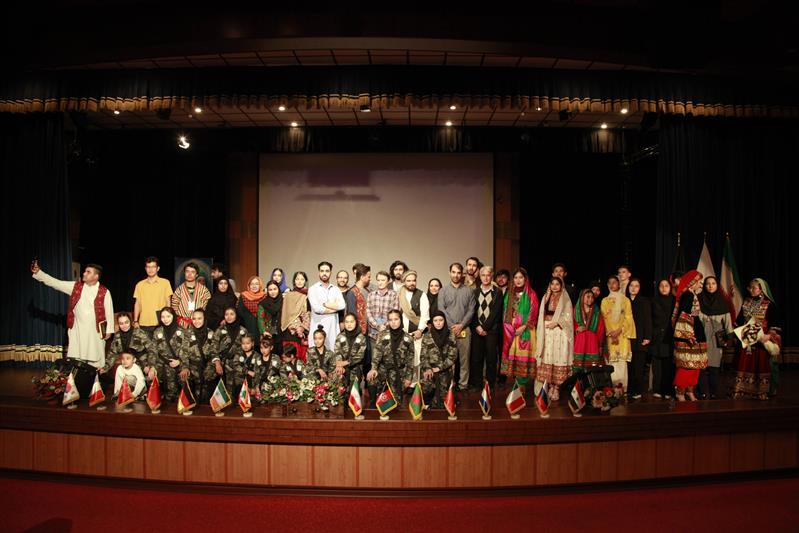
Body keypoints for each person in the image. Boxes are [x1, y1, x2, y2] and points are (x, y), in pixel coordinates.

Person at [31, 260, 114, 397]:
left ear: (96, 276)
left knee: (95, 361)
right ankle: (74, 391)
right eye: (85, 271)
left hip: (95, 332)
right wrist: (39, 273)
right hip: (77, 331)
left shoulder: (104, 292)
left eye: (88, 272)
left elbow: (109, 311)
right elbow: (56, 283)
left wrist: (109, 329)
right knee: (76, 360)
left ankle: (96, 392)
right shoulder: (76, 287)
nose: (84, 273)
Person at [732, 278, 781, 400]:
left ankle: (761, 391)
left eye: (754, 288)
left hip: (761, 340)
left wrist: (769, 335)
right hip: (746, 339)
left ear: (761, 290)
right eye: (750, 287)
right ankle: (742, 390)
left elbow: (775, 323)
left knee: (760, 364)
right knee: (744, 363)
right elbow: (739, 320)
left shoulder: (769, 304)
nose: (751, 290)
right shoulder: (746, 302)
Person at [439, 262, 476, 391]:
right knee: (449, 360)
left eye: (459, 273)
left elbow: (471, 310)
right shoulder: (443, 291)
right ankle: (450, 385)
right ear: (449, 273)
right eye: (453, 272)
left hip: (465, 329)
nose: (456, 275)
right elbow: (441, 310)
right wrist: (452, 327)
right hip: (448, 331)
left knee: (465, 360)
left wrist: (461, 325)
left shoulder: (469, 291)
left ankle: (463, 385)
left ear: (462, 274)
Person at [535, 277, 573, 401]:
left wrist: (557, 323)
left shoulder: (565, 299)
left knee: (558, 356)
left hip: (559, 332)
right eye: (553, 284)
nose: (555, 286)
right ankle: (549, 385)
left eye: (557, 284)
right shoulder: (546, 297)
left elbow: (568, 317)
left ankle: (556, 387)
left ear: (561, 286)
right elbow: (541, 314)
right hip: (546, 331)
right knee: (547, 356)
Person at [500, 268, 539, 389]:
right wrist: (509, 327)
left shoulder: (531, 294)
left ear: (525, 279)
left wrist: (524, 326)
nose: (518, 280)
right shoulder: (509, 294)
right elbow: (504, 311)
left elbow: (534, 312)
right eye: (516, 277)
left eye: (521, 277)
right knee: (514, 359)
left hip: (525, 330)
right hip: (510, 331)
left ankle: (521, 385)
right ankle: (517, 385)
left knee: (523, 359)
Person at [671, 270, 707, 401]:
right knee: (686, 365)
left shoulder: (692, 294)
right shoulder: (687, 295)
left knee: (695, 365)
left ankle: (690, 391)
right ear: (692, 282)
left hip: (696, 330)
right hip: (689, 333)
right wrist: (688, 335)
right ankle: (680, 391)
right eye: (698, 282)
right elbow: (684, 315)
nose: (700, 284)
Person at [367, 309, 414, 404]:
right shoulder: (382, 335)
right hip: (383, 371)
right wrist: (373, 369)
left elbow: (410, 360)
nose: (393, 322)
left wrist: (408, 378)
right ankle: (373, 406)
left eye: (396, 319)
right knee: (372, 379)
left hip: (399, 374)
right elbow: (377, 354)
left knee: (395, 404)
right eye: (391, 320)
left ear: (400, 320)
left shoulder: (408, 338)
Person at [698, 276, 733, 399]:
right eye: (708, 283)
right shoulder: (699, 300)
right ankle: (701, 392)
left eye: (713, 283)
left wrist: (729, 338)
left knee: (714, 367)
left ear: (717, 286)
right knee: (701, 367)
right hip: (701, 337)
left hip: (716, 339)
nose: (710, 286)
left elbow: (728, 323)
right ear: (704, 286)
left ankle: (713, 392)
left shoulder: (723, 302)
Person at [469, 265, 503, 391]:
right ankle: (477, 384)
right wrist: (477, 326)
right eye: (483, 275)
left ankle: (490, 385)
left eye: (488, 275)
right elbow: (472, 311)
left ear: (492, 276)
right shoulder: (475, 292)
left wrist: (484, 328)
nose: (486, 278)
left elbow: (495, 313)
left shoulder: (497, 292)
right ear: (480, 276)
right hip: (477, 330)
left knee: (491, 359)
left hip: (491, 330)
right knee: (476, 359)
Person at [600, 275, 636, 391]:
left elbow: (628, 318)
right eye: (609, 283)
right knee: (612, 363)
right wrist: (612, 334)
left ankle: (622, 390)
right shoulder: (604, 301)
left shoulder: (626, 300)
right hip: (610, 337)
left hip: (622, 336)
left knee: (622, 363)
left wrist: (619, 331)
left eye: (614, 282)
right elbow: (604, 319)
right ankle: (611, 391)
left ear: (619, 284)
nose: (612, 285)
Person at [146, 307, 188, 402]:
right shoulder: (157, 331)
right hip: (161, 364)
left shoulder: (182, 331)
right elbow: (153, 351)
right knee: (150, 379)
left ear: (173, 316)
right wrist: (152, 367)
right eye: (163, 317)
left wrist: (180, 361)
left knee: (180, 387)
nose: (165, 319)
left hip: (177, 364)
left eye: (168, 316)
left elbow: (186, 350)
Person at [101, 312, 152, 388]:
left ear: (130, 322)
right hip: (128, 365)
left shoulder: (139, 333)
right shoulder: (117, 336)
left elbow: (152, 349)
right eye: (121, 323)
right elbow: (112, 353)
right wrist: (105, 368)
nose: (124, 325)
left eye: (126, 322)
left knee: (145, 384)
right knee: (123, 378)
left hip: (143, 365)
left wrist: (150, 366)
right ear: (118, 324)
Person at [420, 311, 458, 408]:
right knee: (426, 393)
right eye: (435, 320)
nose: (438, 323)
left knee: (444, 402)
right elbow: (423, 356)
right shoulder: (427, 335)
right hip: (430, 371)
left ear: (444, 321)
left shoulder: (450, 334)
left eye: (441, 320)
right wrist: (428, 368)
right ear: (432, 322)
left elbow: (452, 356)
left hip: (445, 370)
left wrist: (440, 368)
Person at [208, 307, 248, 396]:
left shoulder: (243, 331)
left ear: (236, 315)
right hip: (222, 364)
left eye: (231, 314)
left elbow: (247, 350)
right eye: (226, 314)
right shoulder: (219, 330)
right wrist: (217, 363)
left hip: (237, 365)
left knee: (237, 392)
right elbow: (213, 348)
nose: (229, 317)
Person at [398, 270, 430, 382]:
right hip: (402, 334)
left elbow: (425, 315)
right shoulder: (398, 294)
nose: (412, 283)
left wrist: (420, 330)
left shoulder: (422, 295)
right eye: (409, 280)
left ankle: (415, 384)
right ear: (404, 281)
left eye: (414, 280)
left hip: (416, 334)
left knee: (416, 360)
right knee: (402, 359)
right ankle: (403, 384)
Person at [308, 262, 346, 350]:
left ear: (331, 272)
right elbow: (317, 309)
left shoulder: (336, 289)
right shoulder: (313, 289)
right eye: (322, 271)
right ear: (319, 272)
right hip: (318, 327)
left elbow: (342, 305)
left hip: (332, 329)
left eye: (327, 271)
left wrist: (325, 304)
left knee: (332, 354)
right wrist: (334, 308)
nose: (324, 273)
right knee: (316, 355)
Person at [132, 256, 173, 337]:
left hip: (160, 323)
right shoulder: (139, 284)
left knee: (161, 345)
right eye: (148, 267)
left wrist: (168, 319)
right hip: (143, 323)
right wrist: (135, 321)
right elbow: (137, 304)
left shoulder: (165, 283)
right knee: (144, 345)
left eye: (153, 267)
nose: (150, 269)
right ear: (145, 268)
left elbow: (168, 302)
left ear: (158, 268)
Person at [626, 278, 652, 400]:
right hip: (627, 339)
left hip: (640, 338)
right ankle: (629, 390)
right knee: (629, 367)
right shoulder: (625, 300)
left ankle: (637, 390)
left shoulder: (644, 301)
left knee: (638, 367)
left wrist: (647, 336)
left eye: (636, 286)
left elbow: (648, 320)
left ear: (640, 288)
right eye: (631, 285)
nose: (633, 288)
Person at [650, 279, 676, 399]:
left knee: (669, 365)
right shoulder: (653, 301)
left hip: (670, 336)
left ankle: (668, 390)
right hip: (657, 337)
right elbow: (650, 319)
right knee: (657, 366)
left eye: (666, 286)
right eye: (661, 286)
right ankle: (657, 389)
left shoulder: (674, 301)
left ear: (670, 288)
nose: (664, 288)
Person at [185, 309, 216, 402]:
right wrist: (185, 367)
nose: (196, 321)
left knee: (207, 400)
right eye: (194, 319)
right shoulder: (187, 333)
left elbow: (215, 352)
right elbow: (183, 353)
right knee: (193, 400)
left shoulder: (211, 333)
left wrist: (213, 366)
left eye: (199, 318)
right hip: (193, 372)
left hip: (208, 372)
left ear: (204, 319)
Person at [573, 289, 605, 372]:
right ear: (582, 297)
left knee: (591, 367)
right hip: (580, 341)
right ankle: (578, 381)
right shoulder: (575, 311)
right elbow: (571, 325)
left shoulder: (596, 312)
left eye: (592, 297)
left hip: (592, 341)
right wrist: (577, 329)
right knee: (578, 365)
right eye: (588, 297)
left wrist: (600, 345)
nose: (590, 299)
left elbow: (601, 329)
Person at [281, 272, 310, 361]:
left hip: (302, 331)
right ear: (294, 281)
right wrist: (293, 326)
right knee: (289, 357)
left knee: (301, 359)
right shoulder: (288, 296)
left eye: (302, 279)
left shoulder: (308, 295)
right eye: (297, 279)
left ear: (305, 281)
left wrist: (302, 328)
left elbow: (308, 313)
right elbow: (285, 313)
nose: (299, 281)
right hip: (289, 330)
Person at [171, 263, 211, 328]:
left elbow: (207, 308)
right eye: (187, 271)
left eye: (192, 272)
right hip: (182, 325)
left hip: (199, 324)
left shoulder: (204, 290)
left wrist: (197, 318)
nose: (189, 274)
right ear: (184, 273)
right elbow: (174, 308)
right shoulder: (178, 290)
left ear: (196, 275)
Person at [333, 313, 367, 386]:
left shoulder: (361, 337)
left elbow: (360, 356)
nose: (349, 324)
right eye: (347, 322)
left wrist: (346, 362)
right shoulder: (340, 336)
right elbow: (337, 351)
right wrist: (340, 365)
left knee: (353, 391)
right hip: (342, 368)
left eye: (351, 322)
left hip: (355, 369)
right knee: (339, 388)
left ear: (356, 322)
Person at [257, 280, 284, 354]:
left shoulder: (284, 301)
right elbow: (260, 319)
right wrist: (264, 331)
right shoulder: (263, 303)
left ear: (278, 289)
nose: (273, 292)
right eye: (270, 290)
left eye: (275, 289)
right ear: (267, 291)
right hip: (269, 332)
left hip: (283, 332)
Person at [345, 264, 371, 337]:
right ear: (362, 277)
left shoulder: (367, 291)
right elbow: (352, 314)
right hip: (357, 332)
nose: (370, 279)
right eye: (368, 277)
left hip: (367, 331)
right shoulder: (352, 292)